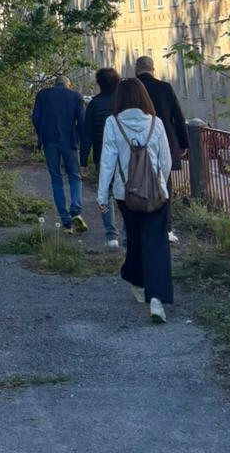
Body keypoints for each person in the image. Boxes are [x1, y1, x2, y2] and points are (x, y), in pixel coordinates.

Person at [96, 78, 174, 323]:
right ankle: (157, 298)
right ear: (143, 97)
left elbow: (107, 162)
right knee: (157, 242)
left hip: (126, 194)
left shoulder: (113, 123)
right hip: (157, 194)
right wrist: (160, 184)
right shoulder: (155, 123)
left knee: (136, 238)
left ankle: (138, 282)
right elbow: (166, 161)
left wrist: (103, 195)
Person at [135, 56, 188, 244]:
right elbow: (178, 117)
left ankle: (143, 226)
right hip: (165, 141)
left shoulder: (132, 89)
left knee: (139, 183)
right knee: (165, 185)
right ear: (153, 69)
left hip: (139, 143)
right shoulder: (165, 88)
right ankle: (166, 228)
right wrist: (183, 144)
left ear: (137, 69)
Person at [31, 75, 88, 233]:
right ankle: (76, 210)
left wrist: (41, 135)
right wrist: (79, 139)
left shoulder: (43, 94)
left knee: (56, 180)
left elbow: (35, 117)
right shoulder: (76, 96)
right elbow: (82, 121)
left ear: (55, 84)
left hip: (49, 141)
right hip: (69, 142)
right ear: (68, 85)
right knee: (75, 177)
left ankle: (66, 221)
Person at [80, 67, 121, 249]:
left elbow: (86, 136)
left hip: (102, 156)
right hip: (125, 156)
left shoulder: (94, 104)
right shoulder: (124, 102)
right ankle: (128, 232)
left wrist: (83, 162)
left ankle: (112, 235)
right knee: (126, 194)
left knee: (106, 194)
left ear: (99, 83)